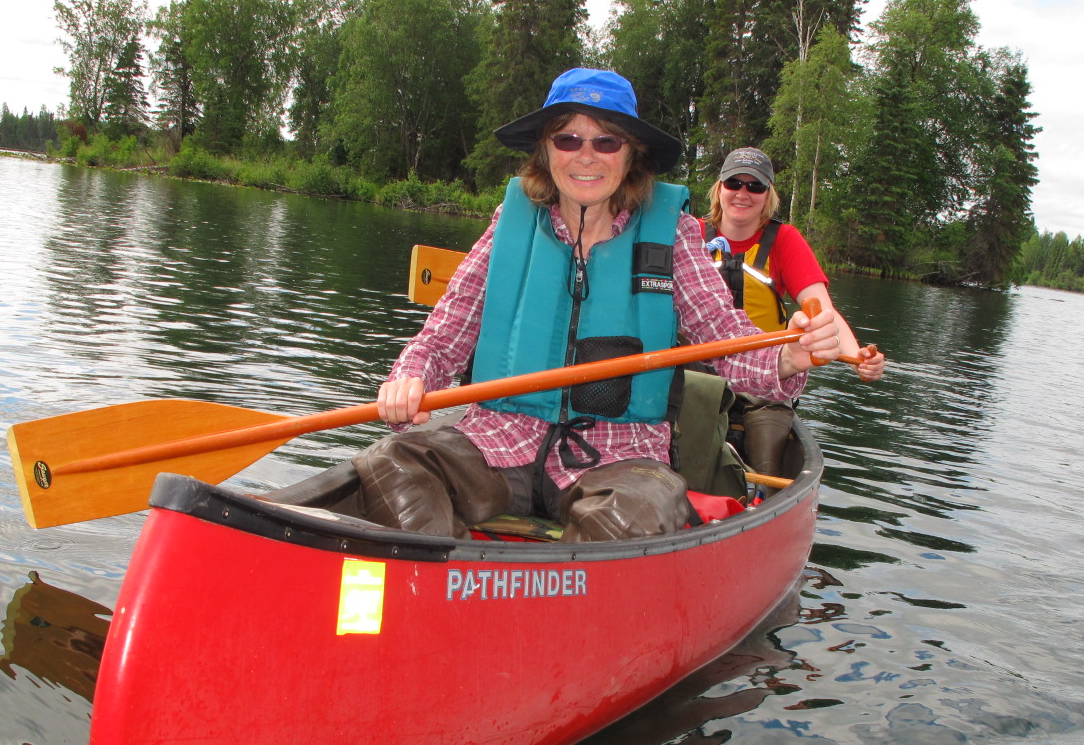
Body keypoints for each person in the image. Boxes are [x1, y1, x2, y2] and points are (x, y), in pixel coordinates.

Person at [352, 68, 843, 543]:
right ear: (546, 150)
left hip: (620, 455)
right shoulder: (510, 224)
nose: (586, 156)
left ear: (631, 156)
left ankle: (537, 588)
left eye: (607, 141)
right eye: (567, 139)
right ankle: (456, 584)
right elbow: (444, 334)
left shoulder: (672, 233)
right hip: (500, 436)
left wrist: (787, 356)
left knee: (629, 520)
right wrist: (409, 378)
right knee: (389, 464)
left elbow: (722, 331)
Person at [699, 146, 885, 476]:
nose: (743, 193)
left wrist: (858, 355)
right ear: (719, 188)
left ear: (768, 194)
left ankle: (764, 490)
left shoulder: (784, 239)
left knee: (768, 461)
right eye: (734, 183)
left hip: (764, 381)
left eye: (755, 186)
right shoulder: (692, 235)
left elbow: (822, 310)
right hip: (698, 374)